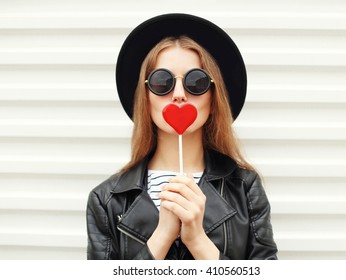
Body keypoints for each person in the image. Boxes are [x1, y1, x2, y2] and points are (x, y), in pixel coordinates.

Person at [86, 13, 277, 260]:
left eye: (195, 82)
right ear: (145, 96)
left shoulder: (245, 188)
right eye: (162, 81)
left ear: (213, 95)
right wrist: (163, 235)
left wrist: (197, 240)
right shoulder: (106, 200)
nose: (178, 94)